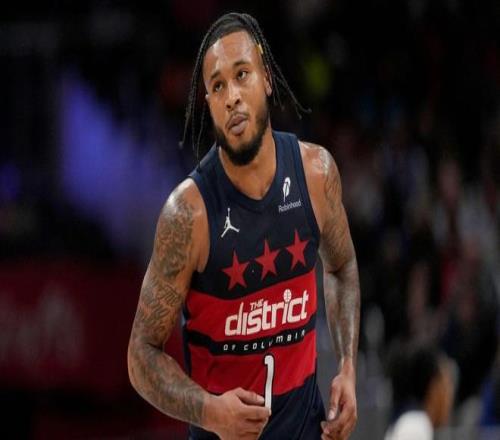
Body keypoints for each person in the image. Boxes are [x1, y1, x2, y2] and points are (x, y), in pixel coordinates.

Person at [127, 12, 360, 440]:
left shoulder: (316, 173)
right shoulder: (188, 214)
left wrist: (347, 367)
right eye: (217, 86)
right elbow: (141, 355)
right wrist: (210, 411)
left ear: (266, 79)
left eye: (242, 75)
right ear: (209, 104)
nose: (232, 96)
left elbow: (342, 267)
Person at [384, 342, 454, 440]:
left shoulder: (413, 423)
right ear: (433, 387)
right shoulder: (414, 426)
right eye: (446, 384)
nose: (450, 395)